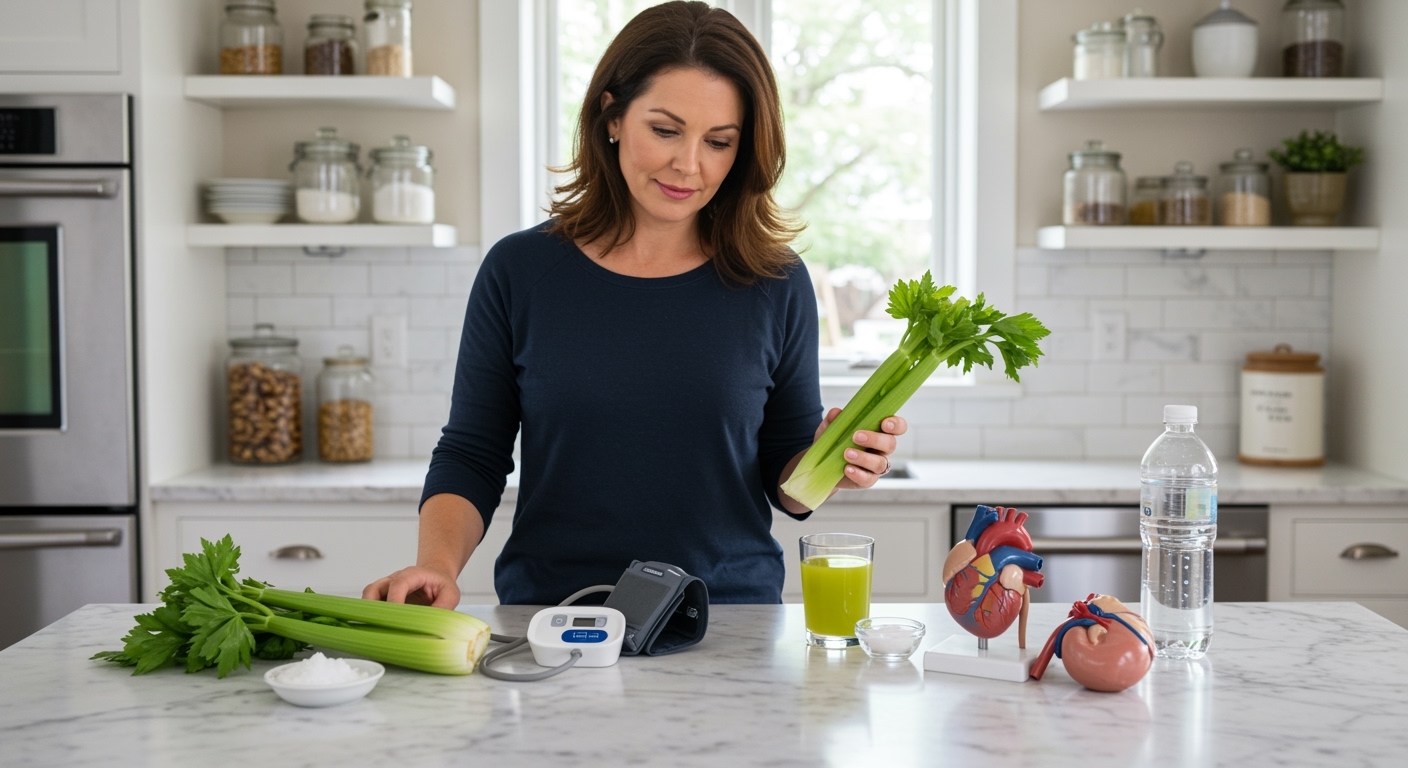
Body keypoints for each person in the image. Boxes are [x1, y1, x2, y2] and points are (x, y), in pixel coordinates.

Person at [362, 1, 907, 608]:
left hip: (727, 624)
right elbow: (473, 451)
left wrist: (835, 461)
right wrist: (437, 566)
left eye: (719, 142)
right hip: (556, 619)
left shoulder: (774, 281)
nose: (689, 164)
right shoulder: (520, 272)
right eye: (666, 129)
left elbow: (788, 486)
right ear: (613, 116)